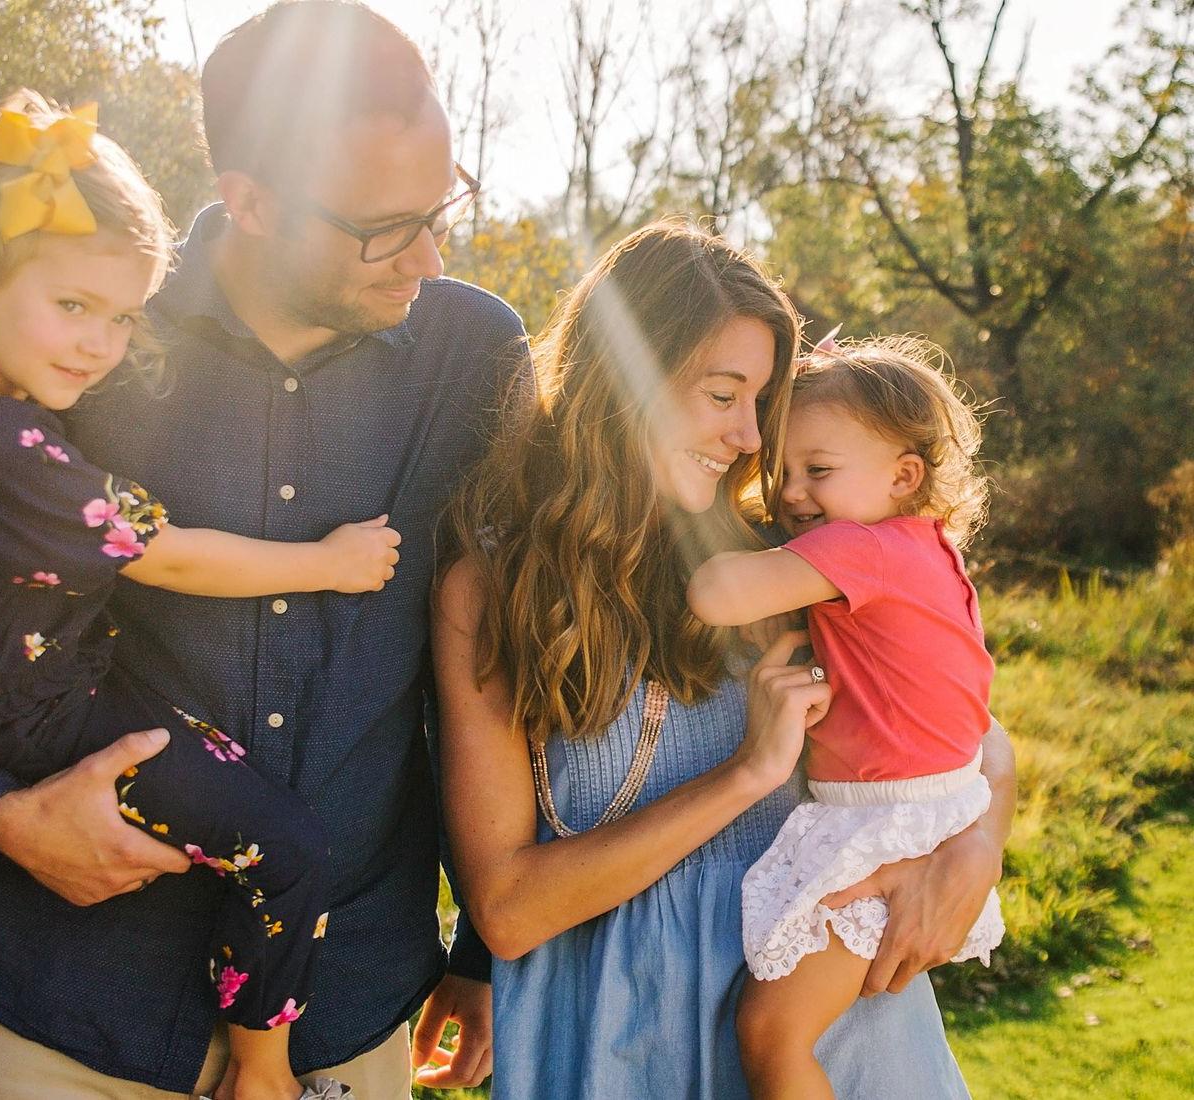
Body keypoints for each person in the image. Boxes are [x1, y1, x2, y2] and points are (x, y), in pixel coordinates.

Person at [0, 2, 523, 1096]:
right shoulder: (75, 327)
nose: (429, 252)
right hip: (59, 1001)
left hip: (346, 1009)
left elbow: (510, 649)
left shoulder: (476, 355)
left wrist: (483, 946)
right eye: (382, 225)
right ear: (250, 201)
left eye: (440, 207)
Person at [433, 221, 1015, 1098]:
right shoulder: (491, 591)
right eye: (722, 394)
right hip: (614, 1034)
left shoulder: (781, 563)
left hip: (827, 1035)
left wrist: (976, 846)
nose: (751, 437)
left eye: (762, 402)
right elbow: (509, 913)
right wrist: (747, 774)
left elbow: (971, 730)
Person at [686, 335, 1004, 1098]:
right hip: (916, 808)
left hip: (882, 826)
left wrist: (711, 532)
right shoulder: (928, 548)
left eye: (818, 472)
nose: (792, 495)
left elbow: (716, 595)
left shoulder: (867, 549)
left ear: (903, 477)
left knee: (772, 1035)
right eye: (782, 472)